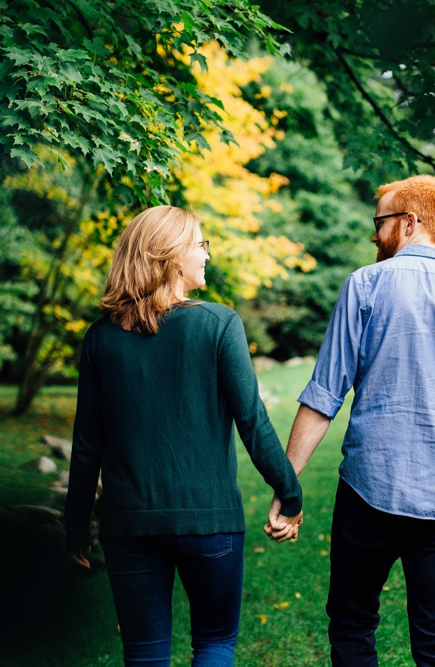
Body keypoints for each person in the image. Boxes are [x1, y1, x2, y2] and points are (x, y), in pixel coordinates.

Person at [265, 175, 435, 666]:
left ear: (408, 222)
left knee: (353, 625)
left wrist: (286, 486)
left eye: (379, 223)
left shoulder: (364, 285)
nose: (373, 235)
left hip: (368, 496)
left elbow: (322, 397)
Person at [64, 205, 304, 667]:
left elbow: (86, 446)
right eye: (199, 245)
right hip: (209, 523)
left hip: (129, 525)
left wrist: (76, 525)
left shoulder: (100, 338)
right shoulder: (219, 324)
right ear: (170, 256)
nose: (206, 255)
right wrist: (288, 494)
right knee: (214, 645)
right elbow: (252, 421)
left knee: (145, 655)